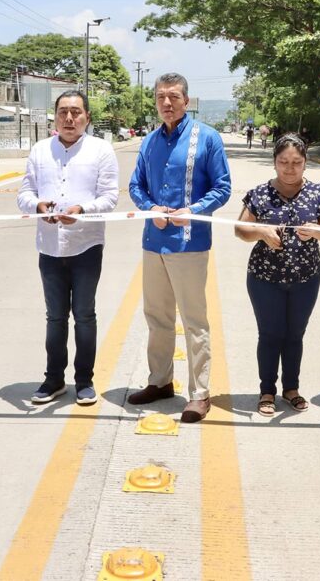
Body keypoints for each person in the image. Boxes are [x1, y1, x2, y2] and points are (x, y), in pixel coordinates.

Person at [128, 72, 232, 423]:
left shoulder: (208, 139)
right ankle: (159, 382)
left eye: (173, 96)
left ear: (187, 100)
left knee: (193, 321)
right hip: (153, 241)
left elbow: (222, 187)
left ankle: (200, 394)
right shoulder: (148, 142)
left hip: (190, 243)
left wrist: (193, 212)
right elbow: (136, 185)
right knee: (156, 317)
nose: (167, 103)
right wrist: (151, 208)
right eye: (160, 97)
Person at [17, 90, 119, 405]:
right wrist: (38, 206)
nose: (69, 118)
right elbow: (24, 192)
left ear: (87, 117)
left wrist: (82, 211)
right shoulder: (39, 150)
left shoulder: (102, 150)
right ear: (55, 116)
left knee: (85, 315)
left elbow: (110, 197)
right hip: (49, 248)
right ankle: (53, 380)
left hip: (86, 246)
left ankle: (84, 381)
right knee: (55, 317)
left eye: (76, 112)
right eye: (63, 112)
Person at [235, 134, 320, 416]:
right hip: (264, 277)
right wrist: (261, 232)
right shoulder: (259, 194)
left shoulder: (319, 193)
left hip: (306, 277)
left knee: (295, 334)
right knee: (270, 334)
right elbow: (240, 229)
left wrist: (316, 231)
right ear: (274, 162)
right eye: (283, 162)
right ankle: (267, 390)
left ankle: (291, 388)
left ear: (305, 164)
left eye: (296, 162)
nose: (290, 168)